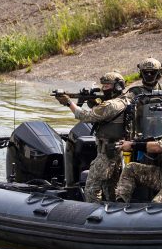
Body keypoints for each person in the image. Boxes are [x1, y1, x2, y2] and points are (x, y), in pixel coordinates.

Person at [54, 71, 132, 202]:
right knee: (110, 186)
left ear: (117, 87)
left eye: (107, 86)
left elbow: (86, 116)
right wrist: (92, 101)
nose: (103, 89)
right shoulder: (125, 100)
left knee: (91, 186)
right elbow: (104, 113)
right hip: (115, 150)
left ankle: (94, 212)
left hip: (106, 153)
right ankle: (111, 211)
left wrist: (68, 103)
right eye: (103, 86)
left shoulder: (112, 105)